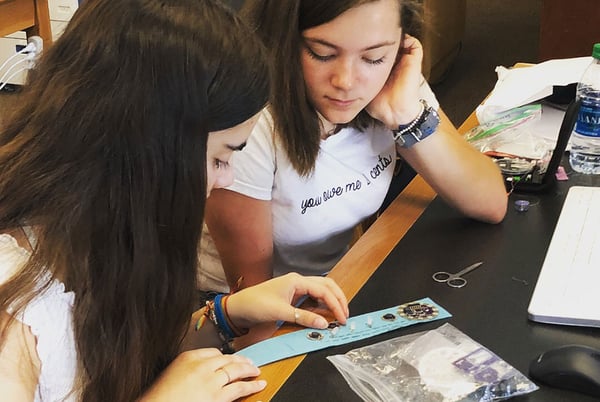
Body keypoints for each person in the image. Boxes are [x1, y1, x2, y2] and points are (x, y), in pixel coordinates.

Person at [0, 1, 349, 401]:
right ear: (148, 148)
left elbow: (106, 361)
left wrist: (225, 316)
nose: (227, 177)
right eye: (219, 158)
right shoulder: (13, 314)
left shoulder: (100, 234)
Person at [199, 0, 508, 295]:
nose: (346, 81)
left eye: (373, 57)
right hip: (227, 306)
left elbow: (491, 203)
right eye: (322, 54)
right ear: (284, 41)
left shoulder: (393, 79)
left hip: (334, 281)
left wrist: (406, 117)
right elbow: (253, 309)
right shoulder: (251, 122)